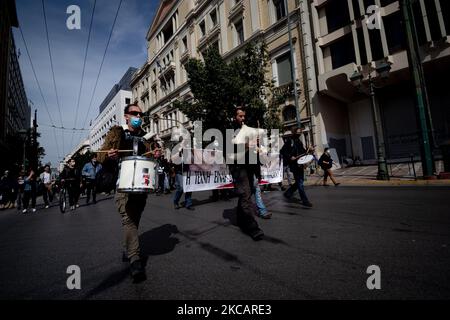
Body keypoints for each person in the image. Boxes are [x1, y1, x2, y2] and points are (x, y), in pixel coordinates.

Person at [99, 103, 150, 282]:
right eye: (134, 113)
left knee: (134, 220)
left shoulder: (145, 136)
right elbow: (100, 156)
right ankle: (135, 260)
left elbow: (150, 157)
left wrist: (155, 154)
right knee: (128, 220)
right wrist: (109, 155)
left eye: (140, 114)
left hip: (141, 186)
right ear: (126, 116)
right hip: (123, 184)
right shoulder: (116, 133)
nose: (138, 116)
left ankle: (128, 248)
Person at [228, 107, 264, 241]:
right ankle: (252, 227)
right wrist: (248, 146)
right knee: (245, 196)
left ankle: (240, 218)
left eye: (244, 116)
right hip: (238, 168)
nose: (243, 119)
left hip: (248, 167)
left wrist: (257, 145)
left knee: (246, 194)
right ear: (234, 117)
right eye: (240, 116)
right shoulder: (230, 131)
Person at [283, 126, 313, 207]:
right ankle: (305, 200)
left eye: (300, 132)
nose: (300, 133)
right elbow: (282, 151)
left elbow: (303, 152)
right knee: (300, 182)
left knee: (300, 181)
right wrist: (290, 157)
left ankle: (288, 193)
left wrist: (308, 150)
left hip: (300, 164)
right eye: (298, 132)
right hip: (294, 165)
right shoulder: (289, 141)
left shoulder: (299, 141)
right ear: (294, 132)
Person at [172, 145, 194, 211]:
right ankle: (175, 202)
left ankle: (188, 204)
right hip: (179, 172)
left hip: (187, 171)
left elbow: (192, 160)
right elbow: (173, 159)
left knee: (188, 188)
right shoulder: (176, 148)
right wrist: (179, 153)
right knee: (181, 188)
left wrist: (191, 152)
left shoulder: (188, 150)